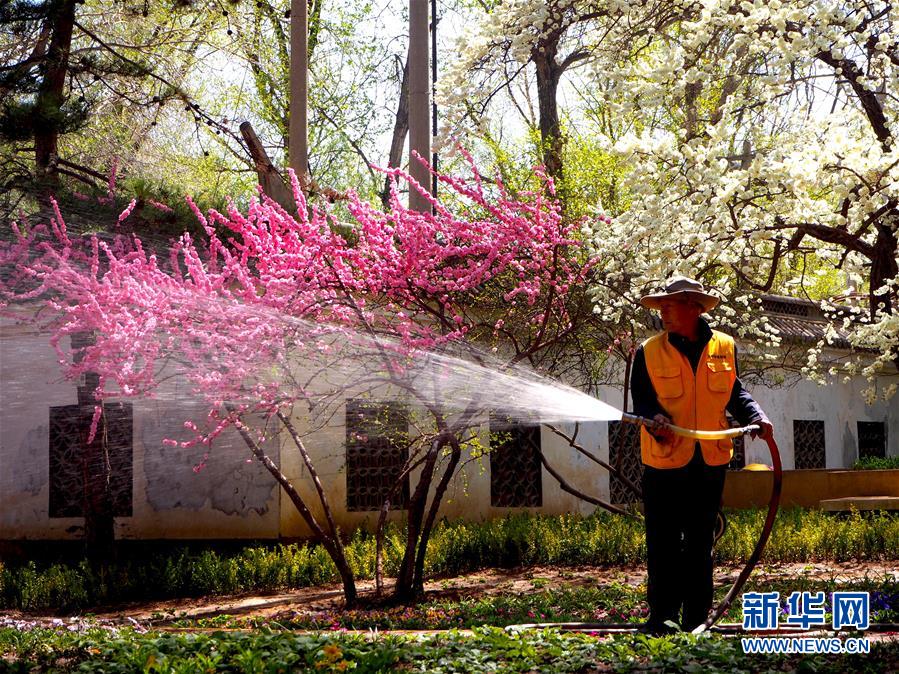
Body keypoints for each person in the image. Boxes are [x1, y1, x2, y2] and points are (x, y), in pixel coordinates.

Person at [632, 276, 773, 634]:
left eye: (670, 304)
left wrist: (756, 415)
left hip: (709, 461)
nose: (663, 311)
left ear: (694, 307)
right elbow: (644, 402)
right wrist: (655, 420)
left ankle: (698, 619)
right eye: (660, 305)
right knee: (663, 543)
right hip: (664, 462)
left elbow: (734, 392)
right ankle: (661, 619)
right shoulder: (647, 351)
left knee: (699, 544)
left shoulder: (725, 347)